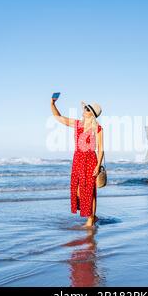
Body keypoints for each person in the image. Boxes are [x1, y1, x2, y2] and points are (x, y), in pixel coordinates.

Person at [51, 96, 104, 227]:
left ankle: (90, 219)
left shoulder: (97, 128)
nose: (84, 109)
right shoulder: (77, 124)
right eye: (85, 107)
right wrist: (52, 103)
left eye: (87, 108)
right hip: (78, 160)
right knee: (79, 191)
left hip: (91, 160)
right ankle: (93, 216)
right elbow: (59, 117)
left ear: (91, 113)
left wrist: (98, 166)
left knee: (90, 191)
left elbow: (101, 149)